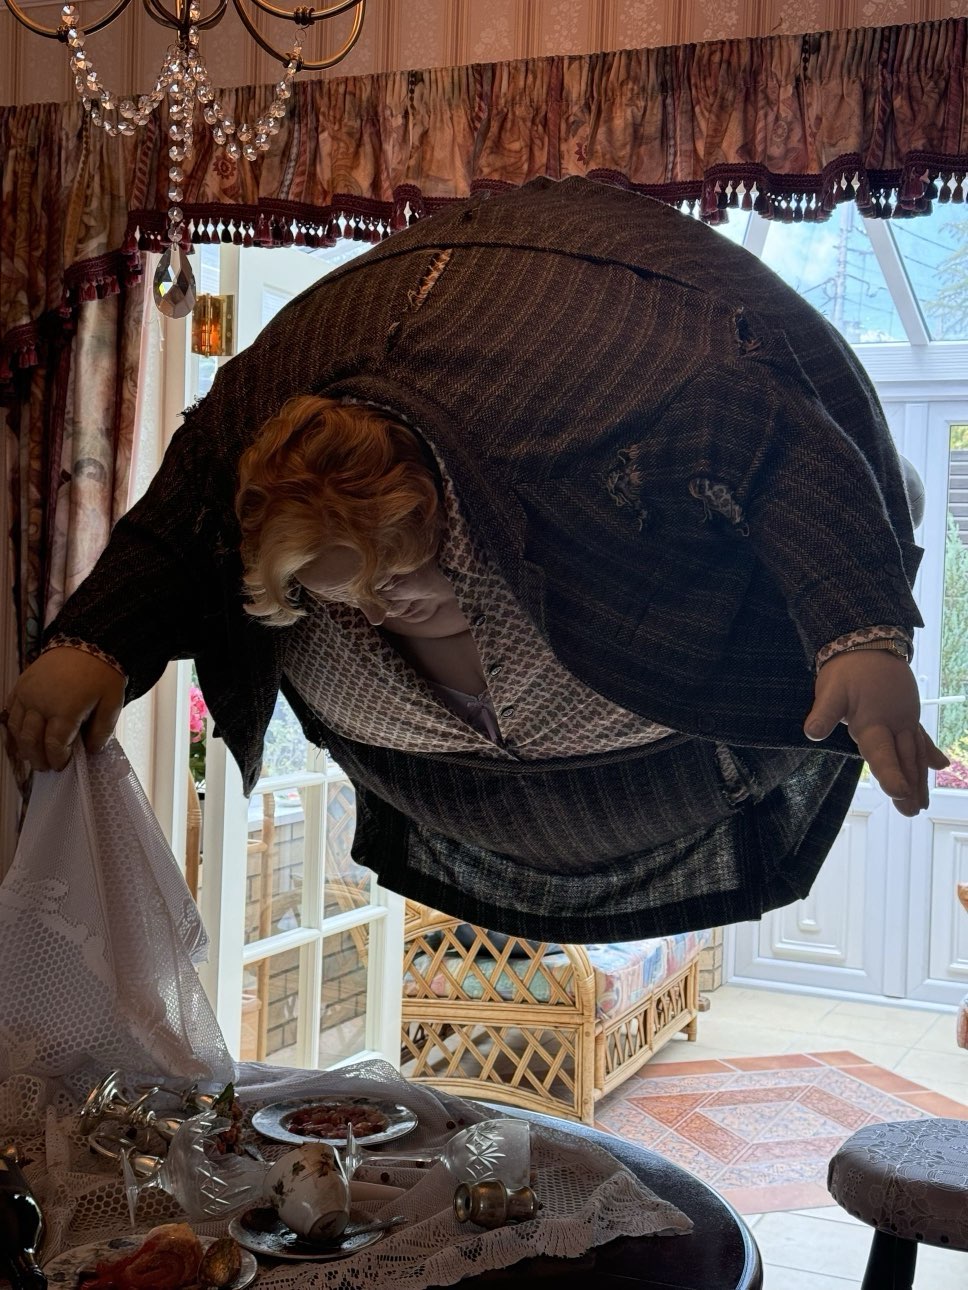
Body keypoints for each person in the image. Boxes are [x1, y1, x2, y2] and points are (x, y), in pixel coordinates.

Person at [2, 176, 947, 943]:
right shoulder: (248, 429)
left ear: (438, 504)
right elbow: (180, 521)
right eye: (339, 598)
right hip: (449, 792)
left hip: (697, 712)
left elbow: (771, 435)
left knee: (868, 492)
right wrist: (95, 640)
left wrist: (859, 633)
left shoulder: (605, 403)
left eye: (395, 580)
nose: (376, 613)